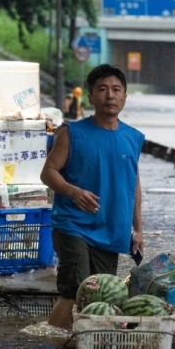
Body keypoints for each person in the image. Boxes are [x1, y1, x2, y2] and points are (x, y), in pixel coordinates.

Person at [40, 64, 144, 330]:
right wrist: (73, 191)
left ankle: (79, 348)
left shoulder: (133, 138)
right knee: (75, 291)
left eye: (116, 89)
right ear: (91, 97)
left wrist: (138, 229)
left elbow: (134, 185)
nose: (110, 95)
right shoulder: (72, 133)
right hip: (73, 225)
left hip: (111, 231)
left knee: (101, 297)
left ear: (124, 97)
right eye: (102, 89)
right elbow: (48, 172)